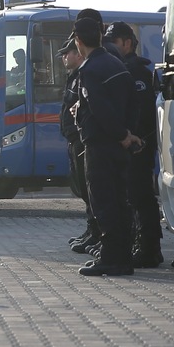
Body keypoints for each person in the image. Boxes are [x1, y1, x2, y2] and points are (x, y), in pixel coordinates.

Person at [71, 17, 142, 276]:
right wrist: (129, 133)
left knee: (104, 203)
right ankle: (123, 257)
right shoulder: (116, 64)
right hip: (121, 146)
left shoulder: (89, 70)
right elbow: (134, 102)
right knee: (121, 202)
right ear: (100, 37)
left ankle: (111, 258)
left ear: (78, 41)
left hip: (101, 146)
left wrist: (121, 133)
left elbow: (100, 108)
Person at [104, 21, 163, 268]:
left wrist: (133, 138)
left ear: (127, 43)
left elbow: (142, 112)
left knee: (141, 196)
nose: (111, 48)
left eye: (115, 42)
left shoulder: (136, 71)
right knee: (133, 196)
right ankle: (143, 244)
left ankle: (149, 248)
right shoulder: (121, 67)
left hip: (139, 144)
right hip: (130, 144)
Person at [59, 38, 97, 253]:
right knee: (82, 188)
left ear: (79, 54)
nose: (65, 57)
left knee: (89, 188)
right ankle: (92, 230)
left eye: (68, 53)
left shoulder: (82, 76)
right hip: (74, 139)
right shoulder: (73, 77)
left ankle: (96, 232)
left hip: (82, 139)